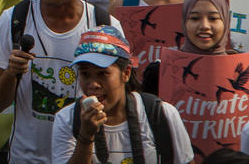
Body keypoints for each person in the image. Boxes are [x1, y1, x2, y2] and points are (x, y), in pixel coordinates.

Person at [0, 0, 121, 164]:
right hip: (25, 158)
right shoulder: (14, 19)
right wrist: (11, 73)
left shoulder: (105, 26)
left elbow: (118, 104)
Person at [52, 26, 192, 164]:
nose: (93, 84)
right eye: (85, 74)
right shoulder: (68, 119)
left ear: (126, 73)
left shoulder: (161, 114)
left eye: (102, 73)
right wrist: (86, 136)